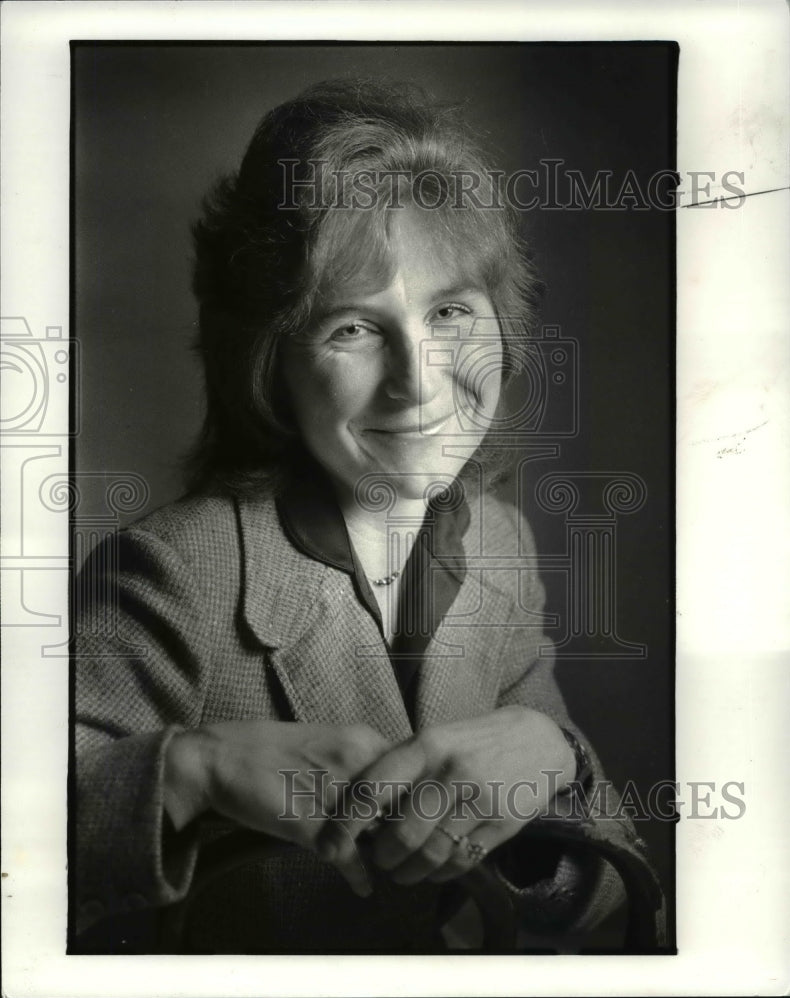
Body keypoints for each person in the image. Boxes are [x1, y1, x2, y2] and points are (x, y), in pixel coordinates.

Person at [73, 78, 662, 953]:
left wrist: (554, 760)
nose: (419, 381)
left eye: (452, 311)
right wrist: (195, 770)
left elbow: (586, 912)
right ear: (270, 364)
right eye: (352, 328)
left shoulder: (498, 543)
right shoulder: (167, 572)